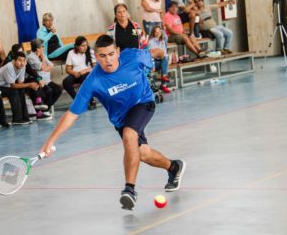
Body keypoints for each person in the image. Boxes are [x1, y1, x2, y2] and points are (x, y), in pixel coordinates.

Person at [39, 35, 186, 211]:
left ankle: (129, 190)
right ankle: (174, 167)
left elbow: (157, 52)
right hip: (121, 118)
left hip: (143, 103)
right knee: (143, 153)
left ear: (117, 52)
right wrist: (51, 140)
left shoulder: (133, 57)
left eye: (111, 54)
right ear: (95, 56)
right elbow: (72, 113)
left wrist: (160, 60)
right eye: (102, 56)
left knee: (129, 134)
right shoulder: (93, 81)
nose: (108, 60)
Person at [0, 52, 34, 125]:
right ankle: (17, 119)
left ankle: (25, 117)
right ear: (14, 60)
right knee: (14, 91)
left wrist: (28, 86)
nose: (22, 63)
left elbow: (20, 83)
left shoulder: (23, 67)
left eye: (24, 60)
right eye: (20, 60)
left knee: (21, 90)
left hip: (4, 87)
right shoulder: (9, 67)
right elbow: (13, 86)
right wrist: (29, 84)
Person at [26, 38, 63, 117]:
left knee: (59, 89)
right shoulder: (31, 57)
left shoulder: (43, 55)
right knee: (49, 90)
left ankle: (45, 109)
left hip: (48, 80)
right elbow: (42, 67)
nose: (44, 48)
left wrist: (45, 67)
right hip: (39, 81)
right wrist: (43, 60)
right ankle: (43, 112)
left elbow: (51, 65)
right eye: (42, 46)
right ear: (37, 48)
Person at [62, 36, 97, 109]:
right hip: (77, 74)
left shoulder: (90, 52)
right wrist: (75, 73)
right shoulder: (71, 53)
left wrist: (85, 71)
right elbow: (68, 69)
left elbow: (95, 67)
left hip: (88, 74)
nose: (85, 47)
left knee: (84, 77)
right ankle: (78, 102)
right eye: (82, 46)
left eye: (86, 45)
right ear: (77, 46)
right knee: (66, 82)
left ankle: (92, 101)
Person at [147, 25, 170, 93]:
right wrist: (160, 55)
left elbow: (164, 53)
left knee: (165, 59)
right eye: (156, 32)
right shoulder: (151, 42)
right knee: (164, 61)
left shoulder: (163, 40)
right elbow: (152, 55)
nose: (157, 33)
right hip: (154, 62)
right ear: (153, 33)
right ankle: (163, 84)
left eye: (159, 31)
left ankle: (163, 80)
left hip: (162, 61)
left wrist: (161, 54)